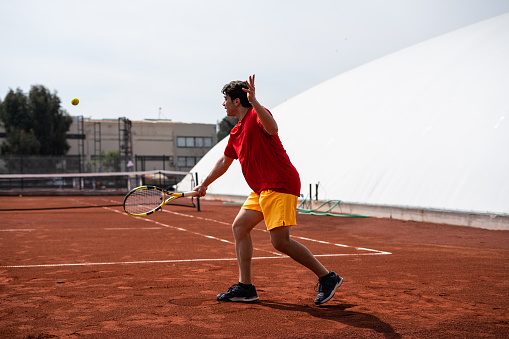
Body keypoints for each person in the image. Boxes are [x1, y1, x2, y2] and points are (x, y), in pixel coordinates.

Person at [193, 74, 342, 305]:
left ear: (236, 101)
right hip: (262, 189)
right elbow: (224, 161)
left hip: (280, 184)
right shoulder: (235, 132)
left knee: (280, 242)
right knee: (240, 227)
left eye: (225, 99)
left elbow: (273, 129)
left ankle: (328, 277)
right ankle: (245, 287)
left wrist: (254, 101)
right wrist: (204, 184)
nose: (223, 104)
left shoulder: (257, 114)